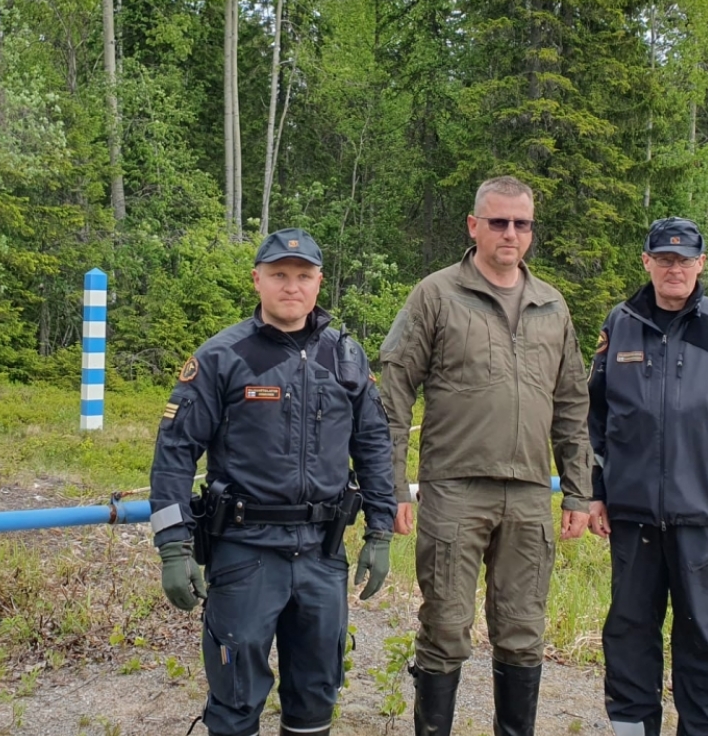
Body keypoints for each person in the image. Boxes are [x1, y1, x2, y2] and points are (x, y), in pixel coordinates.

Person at [148, 228, 398, 736]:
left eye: (303, 276)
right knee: (236, 696)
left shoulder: (345, 358)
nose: (291, 286)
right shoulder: (222, 357)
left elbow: (374, 445)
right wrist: (172, 548)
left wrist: (380, 530)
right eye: (279, 275)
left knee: (316, 694)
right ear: (257, 280)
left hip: (322, 553)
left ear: (319, 283)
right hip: (245, 551)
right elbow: (174, 453)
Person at [379, 175, 592, 736]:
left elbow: (572, 402)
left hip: (528, 491)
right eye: (498, 222)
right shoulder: (437, 293)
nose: (510, 233)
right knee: (447, 625)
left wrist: (577, 488)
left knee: (522, 631)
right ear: (474, 225)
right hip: (454, 487)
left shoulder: (552, 304)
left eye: (521, 224)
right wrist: (392, 484)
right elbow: (395, 390)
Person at [586, 217, 708, 736]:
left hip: (704, 516)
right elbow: (595, 418)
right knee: (628, 633)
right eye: (664, 259)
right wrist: (596, 493)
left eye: (684, 260)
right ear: (646, 262)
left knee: (704, 642)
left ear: (701, 265)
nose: (675, 269)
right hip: (632, 516)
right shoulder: (620, 323)